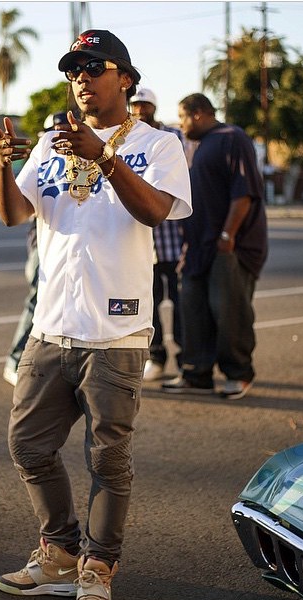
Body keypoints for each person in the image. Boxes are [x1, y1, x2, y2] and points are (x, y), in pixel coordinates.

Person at [0, 30, 191, 600]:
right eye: (73, 69)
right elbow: (13, 213)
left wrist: (103, 157)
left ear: (124, 79)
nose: (81, 77)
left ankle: (98, 571)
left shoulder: (159, 144)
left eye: (93, 67)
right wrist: (4, 165)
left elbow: (157, 211)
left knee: (109, 460)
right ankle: (59, 554)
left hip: (116, 332)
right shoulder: (51, 145)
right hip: (51, 328)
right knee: (27, 443)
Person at [162, 93, 267, 399]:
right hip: (197, 247)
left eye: (182, 117)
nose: (180, 125)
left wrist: (227, 235)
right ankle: (197, 374)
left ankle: (239, 374)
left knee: (229, 310)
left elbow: (244, 192)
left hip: (229, 246)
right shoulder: (197, 146)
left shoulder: (232, 138)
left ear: (198, 113)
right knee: (192, 308)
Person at [2, 112, 67, 387]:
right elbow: (15, 211)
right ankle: (16, 360)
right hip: (41, 246)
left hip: (60, 245)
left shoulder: (77, 154)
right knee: (36, 301)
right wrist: (1, 164)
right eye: (50, 130)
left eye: (60, 129)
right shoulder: (43, 155)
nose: (54, 134)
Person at [130, 88, 185, 381]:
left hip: (173, 241)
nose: (140, 110)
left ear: (153, 107)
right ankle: (158, 357)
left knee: (180, 303)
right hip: (144, 244)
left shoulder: (171, 138)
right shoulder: (126, 138)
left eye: (145, 105)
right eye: (136, 105)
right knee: (148, 305)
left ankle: (185, 359)